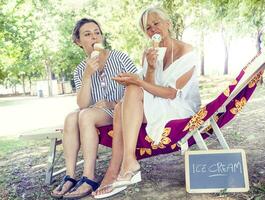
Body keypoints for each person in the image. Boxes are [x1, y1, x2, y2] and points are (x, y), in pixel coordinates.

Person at [93, 6, 200, 199]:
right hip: (159, 102)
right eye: (148, 28)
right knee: (119, 107)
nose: (153, 30)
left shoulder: (187, 52)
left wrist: (138, 81)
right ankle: (117, 168)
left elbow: (170, 94)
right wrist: (150, 67)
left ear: (168, 24)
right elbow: (150, 89)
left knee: (132, 90)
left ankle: (127, 164)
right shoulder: (150, 52)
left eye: (156, 24)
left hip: (180, 106)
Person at [50, 18, 137, 199]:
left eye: (97, 32)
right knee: (71, 117)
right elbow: (82, 104)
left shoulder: (119, 57)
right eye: (87, 34)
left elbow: (137, 86)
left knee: (86, 116)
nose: (94, 37)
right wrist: (88, 75)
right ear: (78, 42)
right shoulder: (80, 69)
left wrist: (114, 103)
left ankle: (89, 177)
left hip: (121, 110)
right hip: (95, 112)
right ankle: (71, 176)